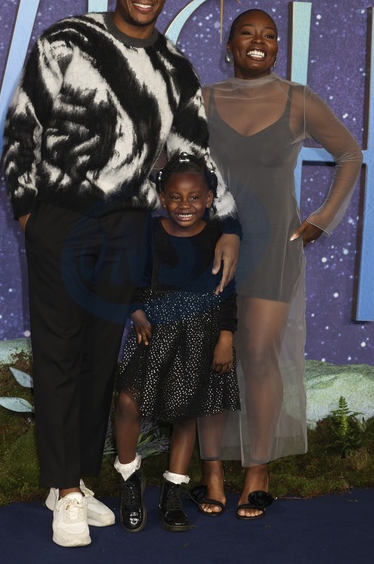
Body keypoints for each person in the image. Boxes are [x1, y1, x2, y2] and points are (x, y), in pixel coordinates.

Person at [2, 0, 240, 547]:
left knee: (98, 359)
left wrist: (229, 222)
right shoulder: (66, 40)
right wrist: (28, 209)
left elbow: (196, 153)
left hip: (127, 224)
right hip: (62, 218)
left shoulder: (175, 67)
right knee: (58, 354)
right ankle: (67, 493)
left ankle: (75, 479)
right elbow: (24, 123)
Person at [192, 9, 363, 520]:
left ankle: (258, 472)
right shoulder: (202, 100)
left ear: (277, 48)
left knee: (259, 353)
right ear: (229, 46)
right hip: (211, 249)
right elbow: (166, 162)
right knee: (211, 357)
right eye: (247, 33)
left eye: (269, 35)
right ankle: (211, 471)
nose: (259, 41)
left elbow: (350, 154)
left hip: (273, 250)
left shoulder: (298, 99)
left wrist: (321, 220)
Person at [113, 151, 240, 533]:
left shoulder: (218, 237)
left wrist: (226, 337)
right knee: (128, 401)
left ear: (210, 198)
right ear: (162, 198)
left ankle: (173, 491)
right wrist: (137, 312)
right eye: (176, 197)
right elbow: (134, 282)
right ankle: (129, 479)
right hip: (153, 331)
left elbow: (225, 292)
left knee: (186, 413)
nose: (185, 205)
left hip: (199, 334)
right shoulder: (149, 233)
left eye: (195, 197)